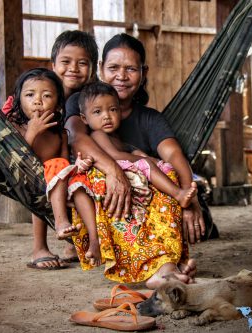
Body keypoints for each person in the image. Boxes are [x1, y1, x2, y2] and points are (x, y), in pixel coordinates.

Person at [65, 33, 205, 288]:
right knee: (109, 184)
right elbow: (76, 138)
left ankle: (166, 267)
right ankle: (147, 267)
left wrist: (189, 196)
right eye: (114, 67)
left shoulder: (150, 118)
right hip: (101, 193)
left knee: (168, 175)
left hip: (140, 192)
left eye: (131, 68)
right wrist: (114, 170)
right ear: (101, 69)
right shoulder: (84, 101)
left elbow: (173, 153)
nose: (122, 75)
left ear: (143, 72)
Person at [2, 30, 99, 269]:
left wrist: (79, 166)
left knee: (76, 179)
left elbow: (65, 153)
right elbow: (10, 150)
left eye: (82, 63)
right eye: (66, 62)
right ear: (53, 64)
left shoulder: (87, 101)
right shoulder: (17, 110)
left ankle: (85, 242)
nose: (73, 68)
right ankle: (41, 245)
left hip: (61, 169)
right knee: (51, 177)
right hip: (31, 173)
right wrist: (32, 130)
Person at [78, 81, 198, 209]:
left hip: (124, 170)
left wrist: (136, 153)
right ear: (84, 119)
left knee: (160, 167)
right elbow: (115, 155)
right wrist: (145, 159)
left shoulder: (114, 136)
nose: (107, 116)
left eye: (113, 109)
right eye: (97, 112)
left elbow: (126, 149)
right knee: (147, 164)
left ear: (120, 111)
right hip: (113, 171)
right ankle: (178, 194)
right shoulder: (98, 134)